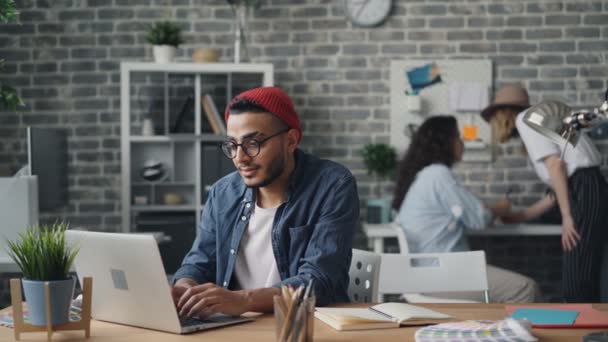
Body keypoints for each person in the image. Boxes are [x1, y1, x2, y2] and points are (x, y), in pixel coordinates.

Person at [171, 86, 359, 319]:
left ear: (291, 140)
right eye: (232, 145)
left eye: (253, 143)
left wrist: (242, 300)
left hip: (304, 325)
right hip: (236, 327)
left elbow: (319, 280)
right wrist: (185, 286)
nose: (240, 158)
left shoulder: (332, 185)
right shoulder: (223, 192)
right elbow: (200, 260)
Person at [392, 115, 547, 303]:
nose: (462, 141)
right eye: (458, 136)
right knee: (525, 289)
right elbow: (479, 218)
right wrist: (499, 208)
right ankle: (514, 332)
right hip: (442, 276)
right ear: (445, 143)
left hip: (429, 275)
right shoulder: (438, 175)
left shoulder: (424, 176)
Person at [483, 83, 608, 302]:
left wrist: (567, 217)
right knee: (585, 276)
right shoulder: (538, 118)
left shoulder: (525, 119)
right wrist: (519, 217)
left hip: (584, 189)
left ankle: (587, 334)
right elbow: (554, 194)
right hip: (589, 188)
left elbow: (556, 167)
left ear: (502, 114)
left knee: (577, 282)